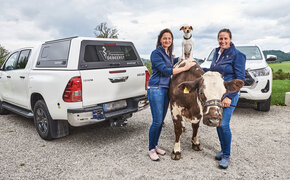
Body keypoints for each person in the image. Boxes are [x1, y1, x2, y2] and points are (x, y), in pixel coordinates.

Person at [147, 28, 195, 161]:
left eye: (169, 38)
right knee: (157, 121)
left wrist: (186, 60)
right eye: (164, 38)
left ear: (172, 40)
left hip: (165, 89)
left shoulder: (168, 54)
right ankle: (151, 149)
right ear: (160, 40)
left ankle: (155, 146)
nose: (167, 40)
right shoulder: (156, 53)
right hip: (156, 88)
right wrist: (184, 68)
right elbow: (164, 70)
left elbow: (171, 62)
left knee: (160, 120)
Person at [204, 28, 246, 168]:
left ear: (230, 39)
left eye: (225, 38)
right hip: (218, 94)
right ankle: (223, 150)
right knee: (218, 122)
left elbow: (240, 79)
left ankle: (227, 155)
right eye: (220, 38)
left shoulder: (237, 55)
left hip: (229, 94)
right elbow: (213, 71)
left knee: (224, 124)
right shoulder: (217, 53)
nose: (222, 41)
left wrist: (229, 97)